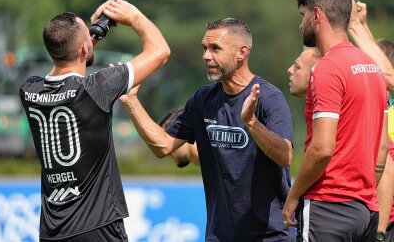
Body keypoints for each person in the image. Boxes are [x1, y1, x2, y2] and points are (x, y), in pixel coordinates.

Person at [121, 18, 295, 241]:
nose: (206, 56)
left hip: (271, 236)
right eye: (205, 48)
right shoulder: (202, 100)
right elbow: (163, 146)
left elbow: (285, 155)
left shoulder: (269, 98)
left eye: (215, 49)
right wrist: (131, 102)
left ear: (242, 52)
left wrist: (251, 122)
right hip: (220, 236)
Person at [18, 0, 170, 241]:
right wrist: (134, 17)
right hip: (98, 227)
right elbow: (160, 52)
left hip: (52, 230)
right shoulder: (96, 88)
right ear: (83, 49)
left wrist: (85, 42)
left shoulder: (29, 91)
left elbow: (66, 60)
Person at [282, 0, 388, 242]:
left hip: (327, 204)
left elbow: (322, 148)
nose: (301, 24)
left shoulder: (327, 68)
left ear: (316, 15)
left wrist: (293, 196)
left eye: (303, 15)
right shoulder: (373, 68)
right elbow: (382, 151)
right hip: (366, 210)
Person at [349, 0, 394, 242]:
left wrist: (356, 26)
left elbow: (386, 74)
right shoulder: (386, 107)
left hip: (386, 221)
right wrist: (362, 25)